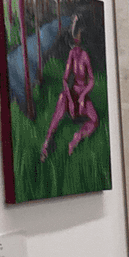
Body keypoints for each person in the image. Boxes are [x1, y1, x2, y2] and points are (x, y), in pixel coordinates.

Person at [40, 16, 98, 161]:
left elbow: (91, 80)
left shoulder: (85, 56)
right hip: (72, 94)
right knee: (61, 99)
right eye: (74, 37)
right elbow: (65, 79)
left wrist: (83, 96)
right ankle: (47, 142)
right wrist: (70, 100)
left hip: (82, 96)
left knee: (95, 120)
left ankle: (77, 137)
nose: (75, 43)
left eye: (77, 36)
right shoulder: (72, 54)